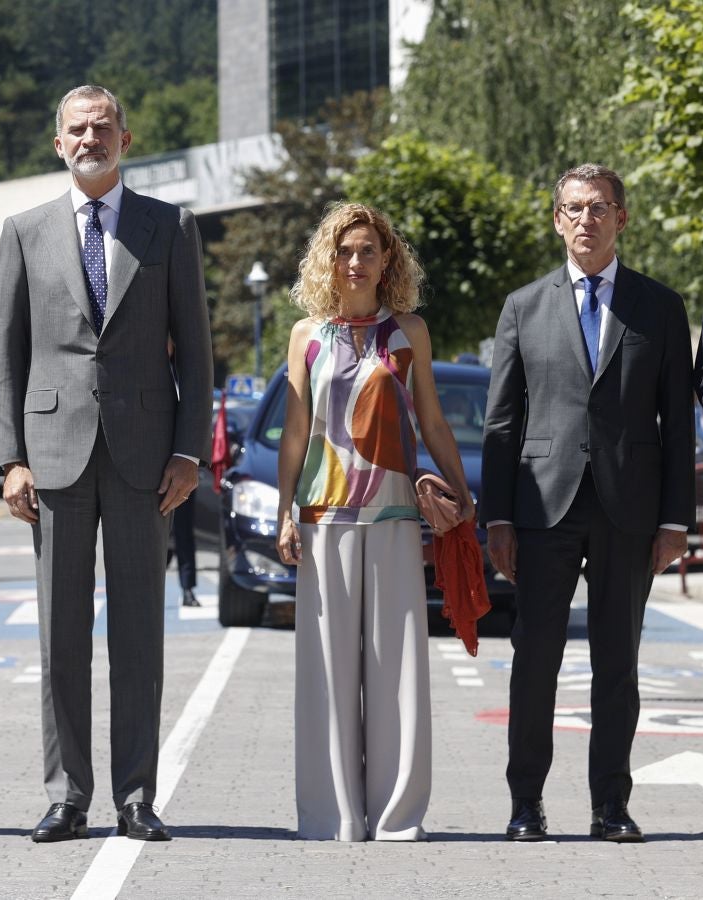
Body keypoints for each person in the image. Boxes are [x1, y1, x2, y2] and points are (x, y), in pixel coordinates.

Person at [0, 85, 212, 843]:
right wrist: (9, 459)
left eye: (103, 126)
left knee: (140, 638)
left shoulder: (171, 226)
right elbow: (6, 358)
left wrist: (188, 450)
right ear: (59, 143)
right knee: (61, 639)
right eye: (77, 129)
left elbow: (199, 355)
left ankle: (137, 795)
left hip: (147, 460)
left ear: (127, 135)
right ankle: (68, 794)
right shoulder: (23, 232)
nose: (91, 138)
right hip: (52, 460)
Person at [483, 163, 693, 843]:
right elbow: (502, 423)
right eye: (572, 209)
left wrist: (673, 519)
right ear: (556, 219)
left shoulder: (659, 307)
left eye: (599, 208)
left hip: (628, 511)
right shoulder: (523, 306)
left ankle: (611, 806)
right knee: (535, 660)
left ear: (621, 219)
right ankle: (525, 804)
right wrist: (499, 516)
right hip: (542, 510)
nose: (585, 221)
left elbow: (676, 422)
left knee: (617, 665)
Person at [275, 203, 472, 842]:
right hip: (324, 517)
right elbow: (297, 432)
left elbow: (433, 422)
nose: (355, 261)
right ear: (327, 260)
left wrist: (462, 498)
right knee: (326, 675)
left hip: (392, 516)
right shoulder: (307, 335)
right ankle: (331, 819)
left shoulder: (409, 331)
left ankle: (396, 818)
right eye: (344, 250)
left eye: (367, 250)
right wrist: (284, 511)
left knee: (398, 672)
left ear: (388, 261)